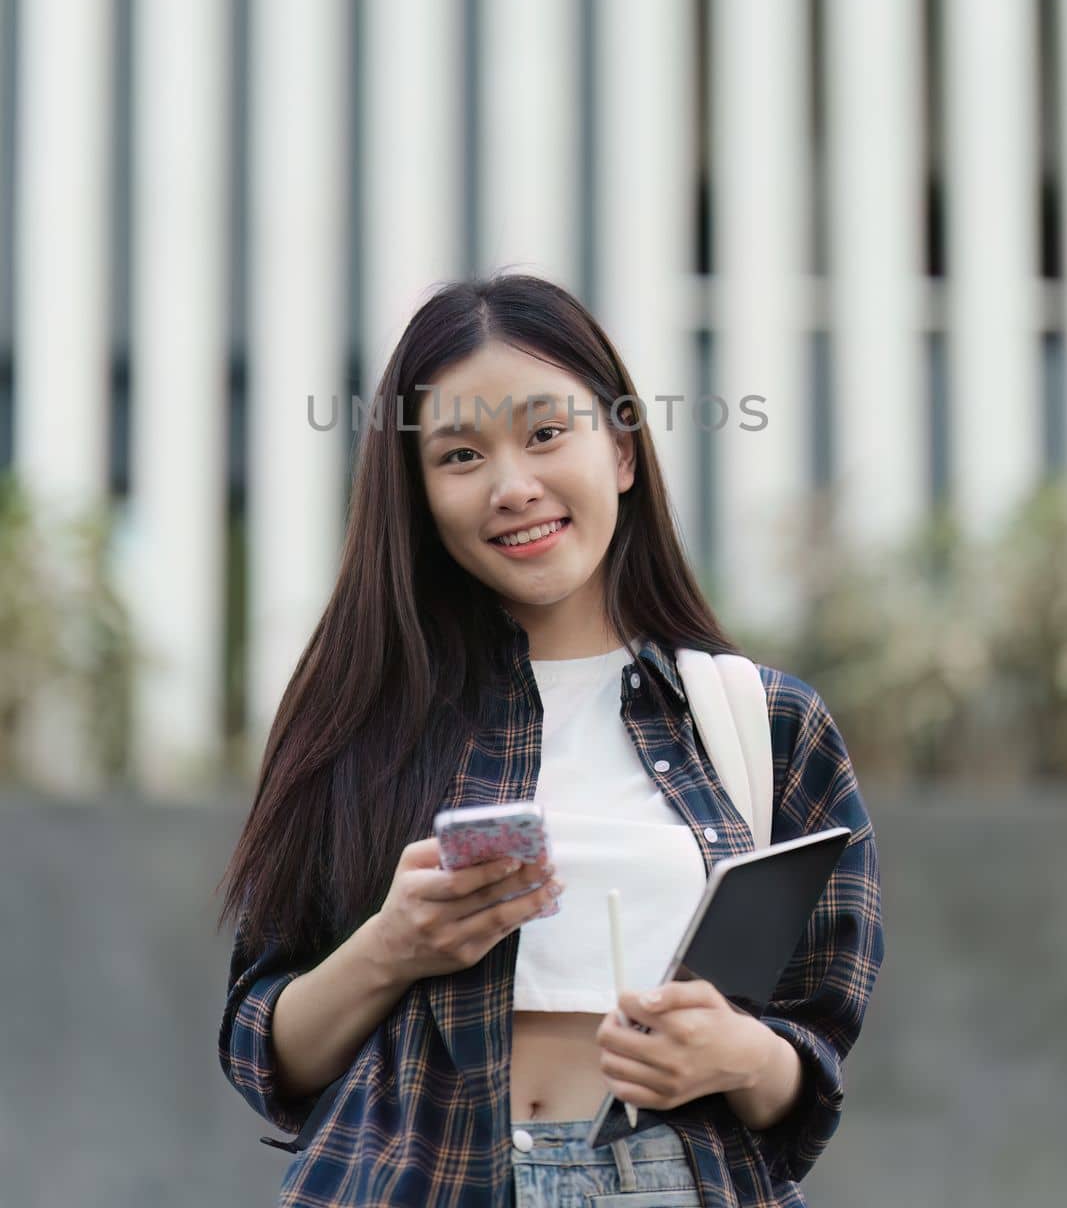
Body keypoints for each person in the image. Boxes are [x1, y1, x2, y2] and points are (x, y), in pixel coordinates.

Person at [216, 271, 885, 1207]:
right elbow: (262, 1052)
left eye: (545, 433)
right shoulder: (360, 720)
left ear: (619, 451)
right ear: (418, 496)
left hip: (675, 1184)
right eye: (458, 456)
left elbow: (811, 1060)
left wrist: (737, 1053)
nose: (512, 487)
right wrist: (392, 947)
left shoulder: (764, 722)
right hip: (415, 1182)